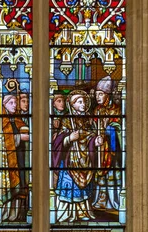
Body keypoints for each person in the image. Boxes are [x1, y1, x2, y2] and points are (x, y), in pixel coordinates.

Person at [51, 90, 100, 222]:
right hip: (70, 160)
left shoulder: (89, 120)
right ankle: (67, 213)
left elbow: (91, 136)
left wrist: (95, 141)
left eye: (84, 101)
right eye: (79, 102)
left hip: (85, 159)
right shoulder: (67, 120)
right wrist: (69, 138)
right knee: (69, 186)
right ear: (72, 105)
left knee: (83, 189)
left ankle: (83, 211)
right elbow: (58, 141)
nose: (83, 104)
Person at [92, 76, 123, 211]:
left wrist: (110, 129)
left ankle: (113, 201)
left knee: (113, 174)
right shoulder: (97, 110)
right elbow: (93, 126)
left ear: (107, 95)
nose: (97, 97)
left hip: (112, 149)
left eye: (100, 94)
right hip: (101, 148)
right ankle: (101, 200)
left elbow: (120, 128)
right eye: (96, 95)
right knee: (100, 174)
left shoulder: (116, 110)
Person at [1, 94, 30, 222]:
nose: (14, 105)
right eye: (11, 103)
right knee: (11, 184)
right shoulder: (2, 120)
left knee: (22, 184)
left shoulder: (17, 119)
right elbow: (1, 140)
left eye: (15, 103)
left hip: (21, 158)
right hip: (7, 160)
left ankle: (18, 213)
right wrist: (19, 138)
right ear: (4, 104)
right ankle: (7, 213)